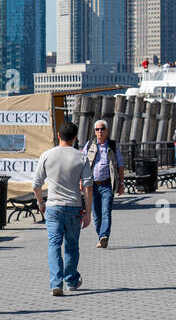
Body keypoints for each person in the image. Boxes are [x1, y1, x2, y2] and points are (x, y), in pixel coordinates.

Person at [33, 121, 92, 296]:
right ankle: (71, 280)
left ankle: (55, 283)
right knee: (72, 246)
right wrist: (88, 213)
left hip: (53, 207)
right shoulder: (81, 157)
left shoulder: (47, 155)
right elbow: (88, 187)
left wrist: (41, 203)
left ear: (58, 136)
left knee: (54, 245)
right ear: (75, 138)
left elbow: (36, 185)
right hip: (73, 206)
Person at [82, 120, 123, 248]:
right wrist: (80, 181)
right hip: (92, 185)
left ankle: (104, 235)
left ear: (107, 130)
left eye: (102, 129)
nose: (100, 131)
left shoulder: (113, 145)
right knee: (96, 214)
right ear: (94, 131)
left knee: (106, 212)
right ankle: (101, 236)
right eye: (97, 129)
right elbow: (81, 163)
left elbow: (120, 165)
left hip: (106, 185)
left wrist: (121, 183)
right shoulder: (89, 145)